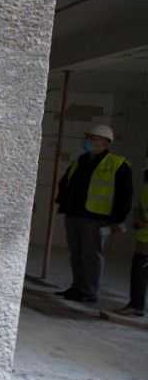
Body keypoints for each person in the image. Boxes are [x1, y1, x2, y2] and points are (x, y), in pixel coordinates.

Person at [54, 124, 133, 303]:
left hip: (96, 218)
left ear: (104, 142)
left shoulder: (118, 164)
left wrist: (117, 220)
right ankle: (77, 287)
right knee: (76, 253)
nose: (87, 141)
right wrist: (63, 202)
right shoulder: (80, 161)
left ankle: (89, 292)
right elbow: (65, 182)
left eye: (92, 138)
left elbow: (125, 194)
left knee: (92, 255)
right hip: (74, 214)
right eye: (87, 138)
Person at [112, 161, 148, 318]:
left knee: (140, 272)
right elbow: (141, 205)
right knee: (138, 272)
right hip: (143, 238)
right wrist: (138, 219)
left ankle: (136, 306)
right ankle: (136, 305)